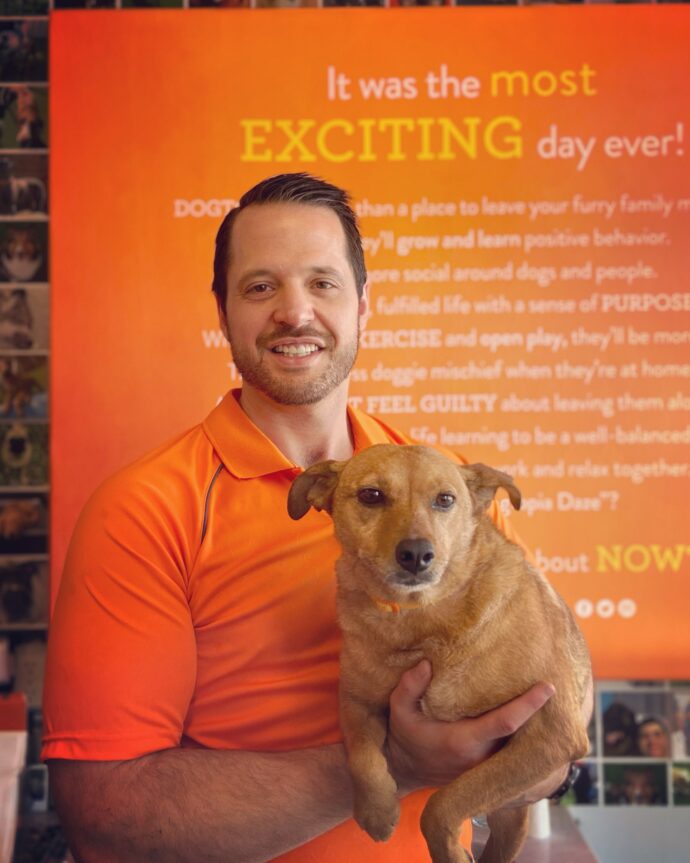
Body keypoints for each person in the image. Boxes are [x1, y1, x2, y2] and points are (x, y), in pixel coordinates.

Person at [42, 173, 581, 863]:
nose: (295, 312)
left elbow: (550, 742)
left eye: (322, 283)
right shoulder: (146, 508)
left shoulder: (450, 493)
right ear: (222, 312)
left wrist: (544, 755)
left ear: (363, 306)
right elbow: (106, 818)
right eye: (261, 286)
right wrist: (396, 764)